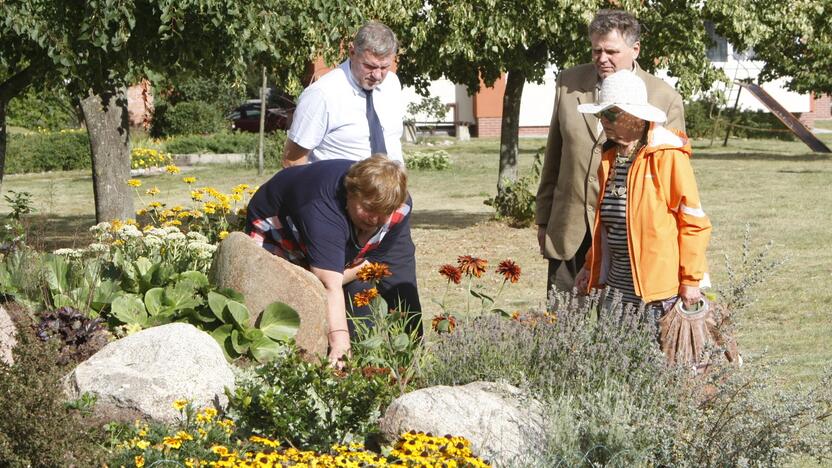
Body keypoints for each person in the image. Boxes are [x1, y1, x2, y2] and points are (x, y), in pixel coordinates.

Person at [535, 9, 686, 298]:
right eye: (596, 50)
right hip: (570, 231)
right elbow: (554, 155)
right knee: (563, 330)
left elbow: (675, 182)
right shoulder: (568, 83)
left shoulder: (665, 98)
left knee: (623, 329)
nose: (602, 59)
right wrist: (543, 219)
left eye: (611, 51)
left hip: (630, 237)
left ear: (635, 49)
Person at [245, 156, 421, 365]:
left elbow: (371, 263)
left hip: (335, 245)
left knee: (364, 289)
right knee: (294, 297)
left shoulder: (398, 206)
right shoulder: (322, 207)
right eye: (368, 209)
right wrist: (340, 344)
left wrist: (332, 276)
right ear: (350, 193)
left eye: (383, 213)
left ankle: (399, 363)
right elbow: (329, 286)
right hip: (279, 233)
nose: (374, 219)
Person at [573, 69, 711, 319]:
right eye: (601, 114)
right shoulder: (609, 159)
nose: (603, 120)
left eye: (610, 113)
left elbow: (693, 222)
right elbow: (606, 227)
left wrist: (691, 280)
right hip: (616, 290)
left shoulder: (666, 155)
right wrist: (588, 265)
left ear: (636, 116)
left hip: (658, 296)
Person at [282, 21, 404, 166]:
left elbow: (393, 145)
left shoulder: (392, 83)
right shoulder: (322, 95)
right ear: (352, 52)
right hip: (341, 188)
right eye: (369, 66)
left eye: (384, 67)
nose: (377, 75)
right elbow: (292, 162)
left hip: (392, 186)